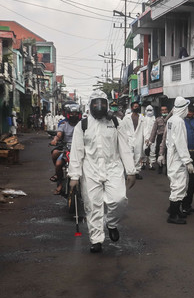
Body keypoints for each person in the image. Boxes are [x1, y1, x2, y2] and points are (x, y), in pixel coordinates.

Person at [68, 91, 137, 253]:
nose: (99, 107)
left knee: (119, 199)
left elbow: (124, 147)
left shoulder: (115, 122)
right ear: (90, 105)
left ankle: (111, 223)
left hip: (113, 168)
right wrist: (74, 175)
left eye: (102, 103)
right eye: (95, 103)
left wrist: (131, 170)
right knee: (93, 205)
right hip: (90, 170)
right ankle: (96, 239)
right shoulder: (82, 125)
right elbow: (77, 151)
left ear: (106, 104)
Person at [165, 97, 193, 224]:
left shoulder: (171, 120)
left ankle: (175, 210)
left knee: (178, 184)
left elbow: (168, 140)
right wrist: (187, 161)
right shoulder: (179, 122)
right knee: (178, 186)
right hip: (178, 158)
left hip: (172, 155)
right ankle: (173, 215)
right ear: (184, 108)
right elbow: (180, 142)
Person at [49, 104, 81, 195]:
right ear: (68, 114)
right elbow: (59, 134)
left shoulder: (83, 123)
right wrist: (55, 140)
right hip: (67, 149)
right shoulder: (63, 124)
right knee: (58, 163)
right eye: (72, 113)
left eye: (76, 113)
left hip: (80, 149)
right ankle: (59, 183)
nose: (73, 115)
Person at [121, 101, 146, 177]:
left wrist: (146, 138)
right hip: (129, 138)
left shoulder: (142, 118)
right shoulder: (126, 118)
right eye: (135, 106)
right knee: (129, 155)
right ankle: (128, 171)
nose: (136, 107)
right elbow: (123, 128)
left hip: (139, 138)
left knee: (138, 155)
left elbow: (145, 129)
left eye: (137, 106)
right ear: (132, 108)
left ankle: (137, 172)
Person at [149, 105, 169, 174]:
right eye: (163, 110)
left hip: (168, 137)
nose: (164, 111)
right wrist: (151, 141)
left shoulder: (170, 119)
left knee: (168, 153)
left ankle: (167, 168)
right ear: (160, 112)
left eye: (165, 110)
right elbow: (154, 131)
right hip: (160, 137)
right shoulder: (157, 120)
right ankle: (160, 167)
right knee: (159, 151)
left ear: (167, 111)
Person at [140, 105, 157, 170]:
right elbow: (144, 129)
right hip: (145, 137)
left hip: (153, 138)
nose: (149, 112)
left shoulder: (154, 119)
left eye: (150, 110)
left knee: (153, 151)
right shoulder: (143, 118)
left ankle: (151, 164)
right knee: (144, 150)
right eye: (148, 110)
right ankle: (143, 163)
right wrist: (146, 138)